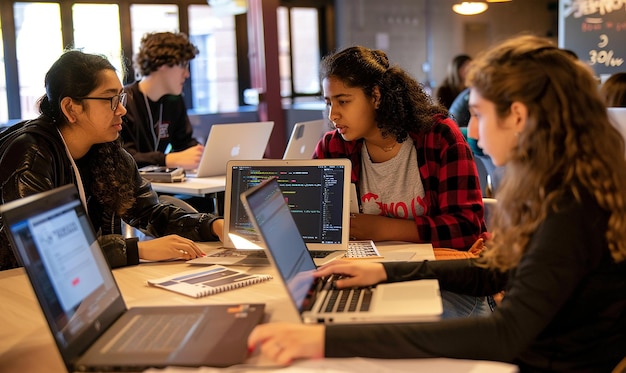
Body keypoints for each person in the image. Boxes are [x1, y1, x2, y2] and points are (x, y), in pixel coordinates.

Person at [248, 35, 626, 372]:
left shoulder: (570, 207)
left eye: (478, 114)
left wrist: (325, 342)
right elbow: (491, 272)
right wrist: (384, 272)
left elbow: (505, 334)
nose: (472, 131)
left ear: (518, 116)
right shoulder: (562, 187)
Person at [0, 50, 224, 271]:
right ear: (70, 108)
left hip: (85, 279)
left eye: (121, 97)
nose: (122, 109)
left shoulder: (108, 151)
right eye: (110, 99)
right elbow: (45, 249)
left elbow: (149, 213)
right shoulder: (30, 154)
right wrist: (138, 250)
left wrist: (212, 225)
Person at [312, 46, 489, 318]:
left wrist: (381, 228)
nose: (332, 115)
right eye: (328, 103)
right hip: (375, 276)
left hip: (447, 281)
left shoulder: (438, 137)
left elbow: (465, 228)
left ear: (376, 96)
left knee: (398, 330)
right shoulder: (333, 149)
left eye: (343, 101)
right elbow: (312, 222)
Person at [121, 31, 203, 170]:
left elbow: (184, 144)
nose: (187, 74)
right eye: (183, 65)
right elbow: (124, 157)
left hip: (161, 186)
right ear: (162, 63)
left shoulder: (174, 101)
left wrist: (201, 154)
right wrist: (165, 160)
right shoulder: (124, 101)